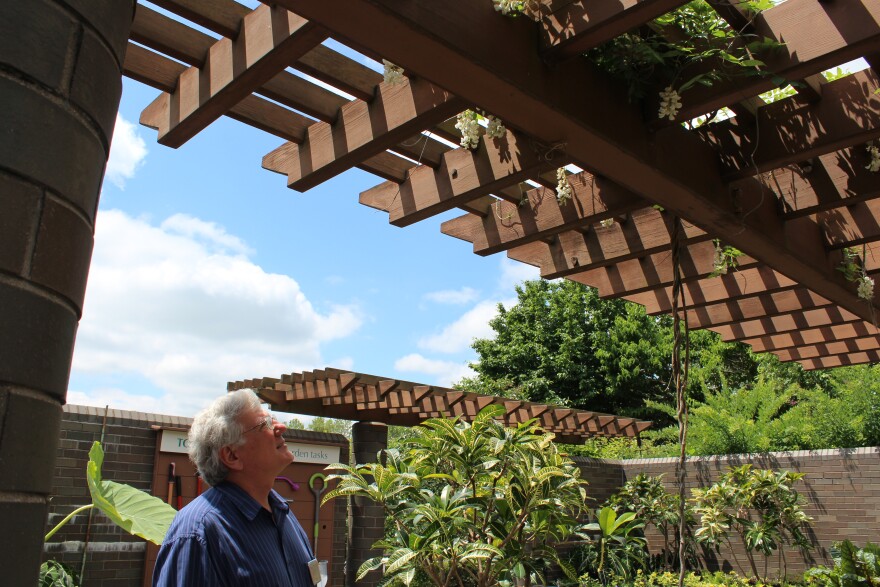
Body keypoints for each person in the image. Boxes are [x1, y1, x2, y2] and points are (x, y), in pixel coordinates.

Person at [153, 389, 319, 586]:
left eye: (273, 419)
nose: (281, 427)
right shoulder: (197, 533)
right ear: (232, 456)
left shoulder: (283, 514)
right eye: (265, 424)